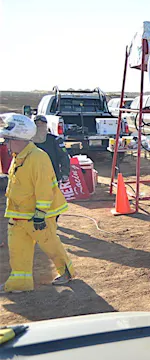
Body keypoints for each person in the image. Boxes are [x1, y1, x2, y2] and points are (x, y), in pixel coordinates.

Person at [0, 114, 73, 293]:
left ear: (19, 139)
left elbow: (44, 187)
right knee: (18, 249)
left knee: (50, 244)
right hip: (18, 214)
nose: (5, 144)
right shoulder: (19, 156)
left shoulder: (38, 158)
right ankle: (20, 282)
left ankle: (66, 272)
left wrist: (40, 213)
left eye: (8, 139)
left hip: (38, 215)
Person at [32, 115, 71, 183]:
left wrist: (65, 173)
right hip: (33, 178)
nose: (40, 127)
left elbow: (64, 157)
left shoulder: (55, 140)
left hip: (52, 177)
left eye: (42, 124)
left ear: (46, 126)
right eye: (37, 124)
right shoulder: (28, 141)